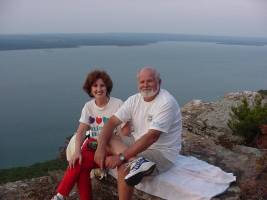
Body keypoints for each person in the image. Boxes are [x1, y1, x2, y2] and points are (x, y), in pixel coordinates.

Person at [94, 67, 182, 200]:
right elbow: (111, 122)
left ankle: (133, 163)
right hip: (137, 142)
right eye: (142, 82)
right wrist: (100, 148)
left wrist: (121, 157)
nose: (145, 85)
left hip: (161, 152)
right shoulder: (134, 100)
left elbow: (152, 137)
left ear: (160, 82)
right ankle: (136, 161)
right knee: (108, 138)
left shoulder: (166, 103)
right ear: (138, 84)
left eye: (150, 81)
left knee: (124, 167)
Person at [51, 70, 129, 200]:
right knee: (79, 160)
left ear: (107, 87)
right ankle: (61, 196)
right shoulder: (88, 107)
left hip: (111, 148)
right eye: (95, 86)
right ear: (90, 89)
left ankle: (60, 195)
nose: (99, 89)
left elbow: (126, 129)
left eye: (102, 85)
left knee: (80, 163)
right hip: (93, 148)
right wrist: (76, 151)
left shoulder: (118, 104)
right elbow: (81, 131)